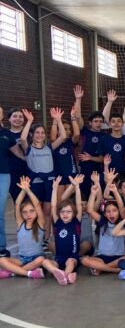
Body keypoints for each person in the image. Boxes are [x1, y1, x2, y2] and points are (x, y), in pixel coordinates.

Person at [21, 107, 66, 239]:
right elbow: (22, 139)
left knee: (48, 213)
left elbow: (63, 137)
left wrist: (58, 120)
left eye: (42, 133)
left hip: (49, 184)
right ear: (32, 134)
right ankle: (35, 237)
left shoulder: (49, 148)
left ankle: (46, 238)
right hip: (36, 184)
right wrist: (29, 121)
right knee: (35, 211)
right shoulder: (28, 149)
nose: (40, 135)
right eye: (37, 132)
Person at [81, 175, 125, 275]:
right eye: (108, 211)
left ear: (118, 212)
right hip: (102, 257)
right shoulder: (103, 222)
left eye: (114, 211)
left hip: (119, 257)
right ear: (104, 214)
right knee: (84, 260)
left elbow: (122, 208)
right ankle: (114, 270)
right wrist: (93, 193)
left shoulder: (122, 221)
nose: (111, 214)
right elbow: (90, 210)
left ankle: (102, 268)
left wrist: (115, 191)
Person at [0, 176, 46, 279]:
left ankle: (13, 273)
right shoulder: (21, 224)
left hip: (36, 259)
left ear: (36, 212)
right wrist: (23, 190)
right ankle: (28, 273)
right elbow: (17, 204)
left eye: (31, 211)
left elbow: (37, 204)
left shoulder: (40, 223)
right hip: (22, 260)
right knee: (1, 260)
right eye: (25, 212)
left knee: (41, 260)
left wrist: (28, 190)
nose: (28, 215)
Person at [0, 106, 28, 257]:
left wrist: (30, 161)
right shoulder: (8, 133)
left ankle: (2, 247)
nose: (17, 119)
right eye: (14, 116)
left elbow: (18, 152)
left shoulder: (6, 134)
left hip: (6, 175)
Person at [49, 174, 84, 285]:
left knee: (70, 262)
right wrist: (55, 189)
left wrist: (77, 187)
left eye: (68, 212)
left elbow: (79, 205)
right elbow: (53, 206)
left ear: (73, 213)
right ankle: (65, 275)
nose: (65, 214)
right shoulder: (57, 223)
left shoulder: (76, 222)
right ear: (59, 213)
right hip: (58, 259)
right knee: (45, 262)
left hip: (72, 258)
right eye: (62, 212)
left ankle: (64, 275)